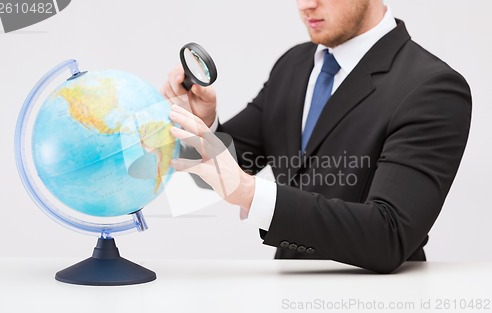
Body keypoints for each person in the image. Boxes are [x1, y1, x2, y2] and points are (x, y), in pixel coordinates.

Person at [162, 0, 472, 273]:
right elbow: (222, 170)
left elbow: (390, 236)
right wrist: (202, 125)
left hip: (376, 299)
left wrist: (251, 193)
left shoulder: (432, 87)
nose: (305, 5)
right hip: (286, 293)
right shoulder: (294, 65)